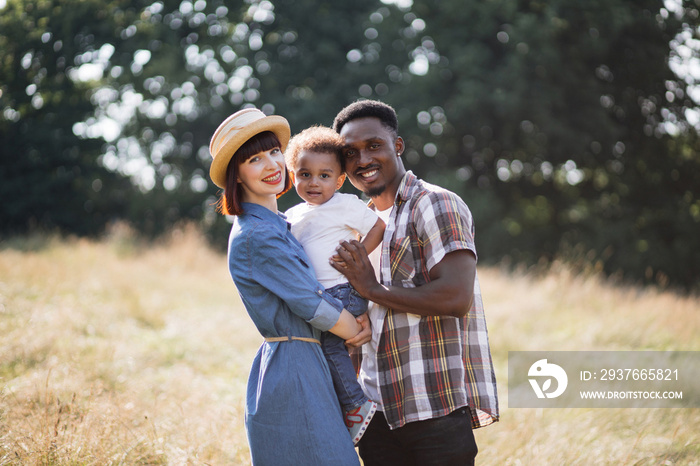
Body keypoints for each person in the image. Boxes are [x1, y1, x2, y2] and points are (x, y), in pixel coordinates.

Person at [329, 100, 499, 466]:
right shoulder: (357, 225)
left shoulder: (435, 204)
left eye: (374, 146)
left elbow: (455, 296)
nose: (363, 160)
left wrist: (371, 288)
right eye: (350, 153)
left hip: (433, 408)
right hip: (375, 412)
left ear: (398, 146)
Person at [208, 108, 368, 465]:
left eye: (274, 152)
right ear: (237, 173)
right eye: (255, 159)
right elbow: (310, 303)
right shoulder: (258, 235)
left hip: (310, 358)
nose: (272, 165)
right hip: (294, 367)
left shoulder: (282, 223)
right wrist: (358, 327)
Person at [283, 125, 384, 444]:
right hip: (317, 296)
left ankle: (356, 405)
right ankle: (333, 408)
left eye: (325, 175)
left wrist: (357, 255)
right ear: (292, 175)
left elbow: (378, 225)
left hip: (343, 291)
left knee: (330, 346)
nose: (314, 182)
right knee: (319, 350)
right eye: (305, 174)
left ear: (339, 180)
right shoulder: (293, 214)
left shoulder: (344, 205)